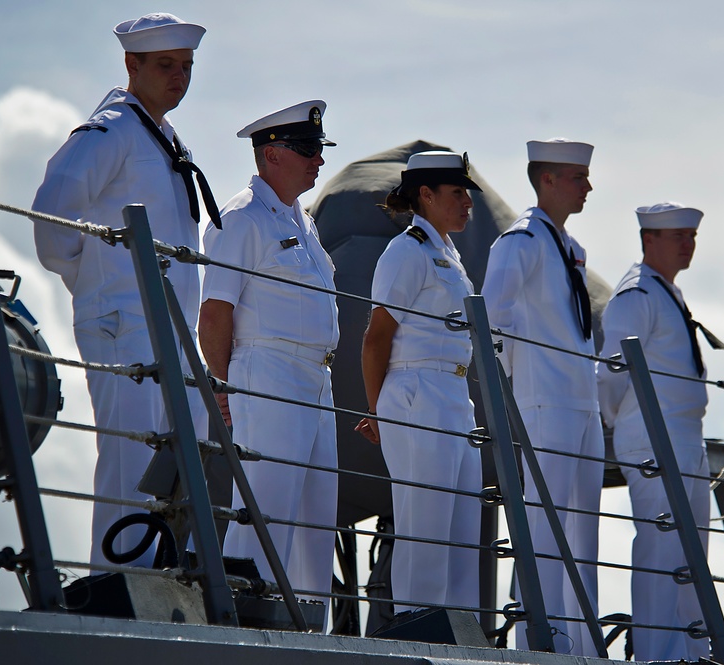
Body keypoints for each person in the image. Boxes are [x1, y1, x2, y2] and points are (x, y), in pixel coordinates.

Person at [31, 13, 212, 568]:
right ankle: (119, 586)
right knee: (130, 458)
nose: (178, 76)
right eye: (164, 66)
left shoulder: (161, 136)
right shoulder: (112, 130)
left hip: (170, 333)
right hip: (124, 323)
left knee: (179, 462)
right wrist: (100, 283)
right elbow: (52, 216)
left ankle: (162, 578)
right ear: (132, 65)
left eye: (185, 67)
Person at [198, 100, 339, 624]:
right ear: (271, 154)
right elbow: (214, 314)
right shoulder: (241, 218)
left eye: (319, 149)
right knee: (264, 511)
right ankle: (240, 629)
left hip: (315, 380)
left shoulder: (302, 220)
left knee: (316, 521)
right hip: (268, 373)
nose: (317, 160)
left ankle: (309, 636)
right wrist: (222, 386)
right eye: (307, 150)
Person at [480, 138, 603, 655]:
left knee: (584, 536)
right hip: (545, 402)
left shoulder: (567, 248)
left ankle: (582, 644)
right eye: (578, 178)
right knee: (545, 529)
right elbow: (490, 320)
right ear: (547, 180)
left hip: (582, 403)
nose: (588, 187)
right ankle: (541, 640)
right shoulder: (521, 242)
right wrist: (522, 385)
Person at [356, 151, 483, 616]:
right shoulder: (407, 250)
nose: (468, 202)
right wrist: (376, 411)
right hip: (417, 393)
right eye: (458, 193)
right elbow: (376, 339)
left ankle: (462, 638)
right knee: (425, 529)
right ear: (425, 196)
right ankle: (417, 628)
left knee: (462, 533)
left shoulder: (446, 253)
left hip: (452, 395)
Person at [597, 202, 724, 661]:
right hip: (652, 435)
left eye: (691, 237)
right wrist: (622, 422)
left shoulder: (665, 292)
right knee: (660, 545)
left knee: (692, 552)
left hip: (685, 436)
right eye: (678, 237)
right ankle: (658, 653)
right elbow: (612, 372)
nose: (688, 245)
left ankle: (693, 650)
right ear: (649, 239)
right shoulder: (637, 295)